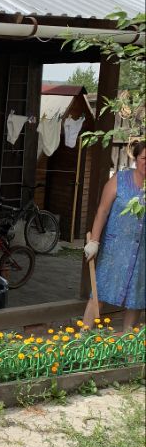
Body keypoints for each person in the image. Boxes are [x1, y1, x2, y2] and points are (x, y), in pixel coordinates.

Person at [83, 140, 146, 329]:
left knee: (136, 297)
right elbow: (102, 211)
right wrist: (94, 241)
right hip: (115, 248)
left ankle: (127, 341)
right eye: (144, 158)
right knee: (100, 291)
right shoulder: (120, 179)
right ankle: (82, 339)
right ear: (136, 158)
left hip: (142, 251)